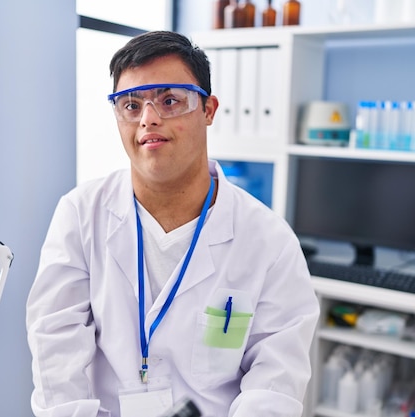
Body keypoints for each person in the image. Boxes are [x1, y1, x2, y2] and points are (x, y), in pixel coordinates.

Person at [26, 30, 320, 417]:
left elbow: (274, 384)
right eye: (131, 105)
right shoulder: (80, 215)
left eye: (169, 100)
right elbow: (56, 359)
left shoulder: (269, 242)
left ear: (208, 110)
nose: (148, 119)